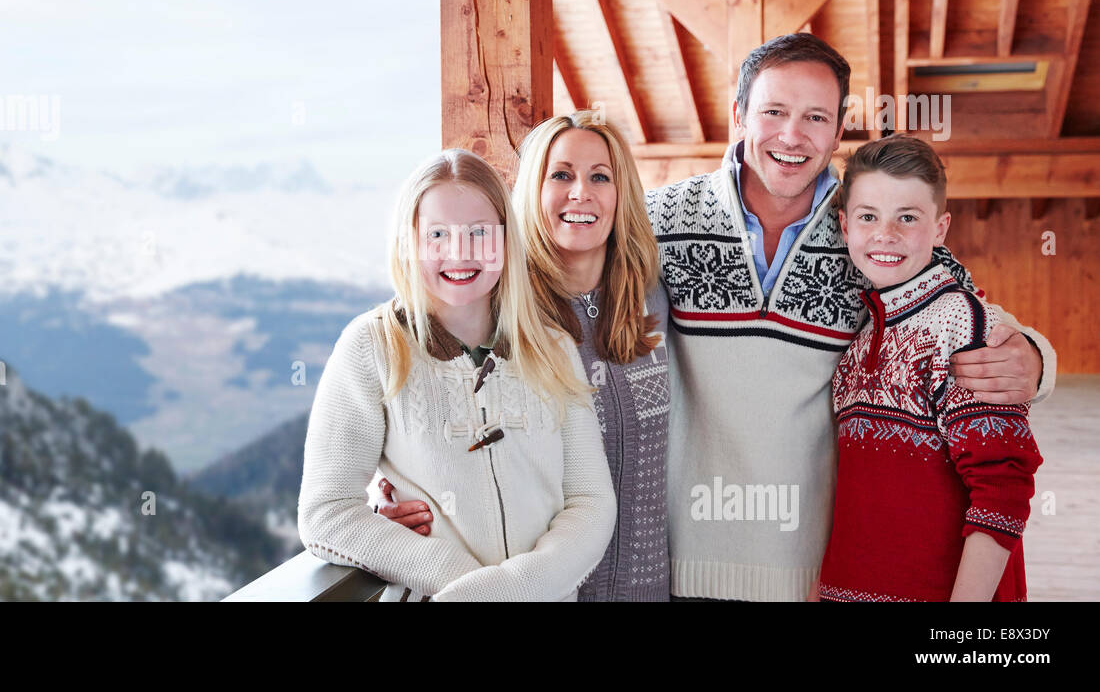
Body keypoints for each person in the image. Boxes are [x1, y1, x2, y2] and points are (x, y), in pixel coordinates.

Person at [648, 33, 1055, 601]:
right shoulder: (659, 218)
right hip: (685, 556)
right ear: (739, 115)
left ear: (838, 132)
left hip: (816, 566)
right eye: (773, 111)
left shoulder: (865, 225)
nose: (792, 135)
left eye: (815, 116)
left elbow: (960, 301)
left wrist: (1037, 356)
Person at [297, 148, 615, 601]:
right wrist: (460, 583)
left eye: (479, 232)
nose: (459, 253)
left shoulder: (554, 347)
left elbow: (591, 503)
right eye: (438, 234)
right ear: (410, 241)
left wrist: (519, 589)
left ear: (506, 238)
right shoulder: (372, 347)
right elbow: (326, 511)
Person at [380, 112, 673, 601]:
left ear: (621, 195)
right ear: (532, 191)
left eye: (600, 176)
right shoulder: (494, 315)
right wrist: (384, 486)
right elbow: (421, 398)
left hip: (645, 589)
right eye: (561, 174)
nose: (581, 191)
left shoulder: (653, 301)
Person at [818, 135, 1043, 601]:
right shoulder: (858, 344)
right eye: (868, 216)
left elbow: (1003, 487)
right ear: (844, 225)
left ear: (940, 229)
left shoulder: (961, 323)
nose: (886, 234)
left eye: (908, 217)